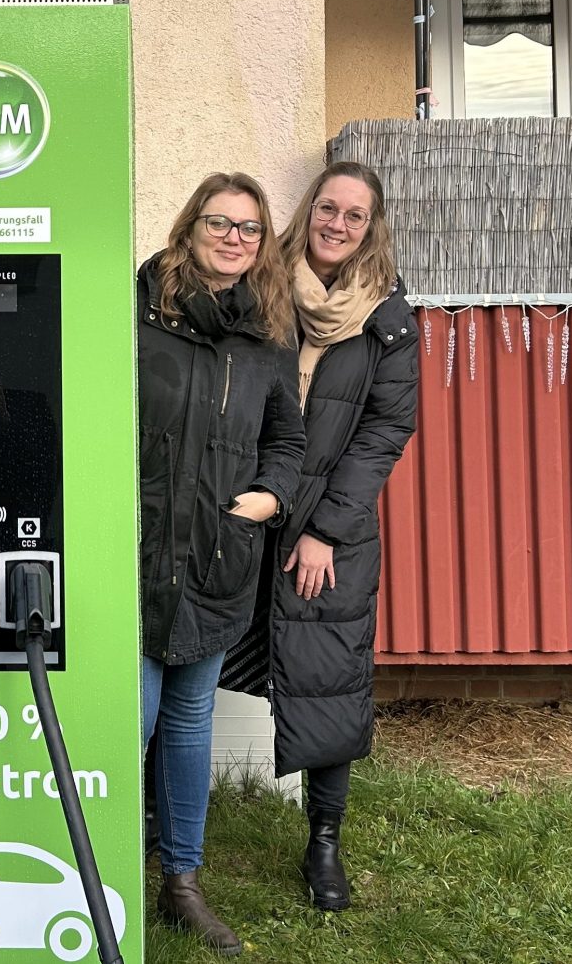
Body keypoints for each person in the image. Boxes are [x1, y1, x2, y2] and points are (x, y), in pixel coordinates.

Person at [239, 161, 418, 911]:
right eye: (327, 207)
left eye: (353, 213)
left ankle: (324, 843)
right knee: (187, 660)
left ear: (370, 225)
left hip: (329, 531)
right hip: (245, 508)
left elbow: (385, 430)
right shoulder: (261, 286)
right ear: (308, 209)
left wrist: (324, 532)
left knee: (330, 684)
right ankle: (160, 823)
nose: (337, 223)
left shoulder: (388, 316)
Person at [137, 171, 306, 956]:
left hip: (216, 555)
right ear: (189, 226)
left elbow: (288, 441)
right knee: (128, 721)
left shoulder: (270, 334)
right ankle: (97, 868)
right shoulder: (138, 313)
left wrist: (266, 500)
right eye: (219, 223)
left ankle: (181, 882)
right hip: (135, 554)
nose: (234, 238)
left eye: (248, 227)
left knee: (188, 722)